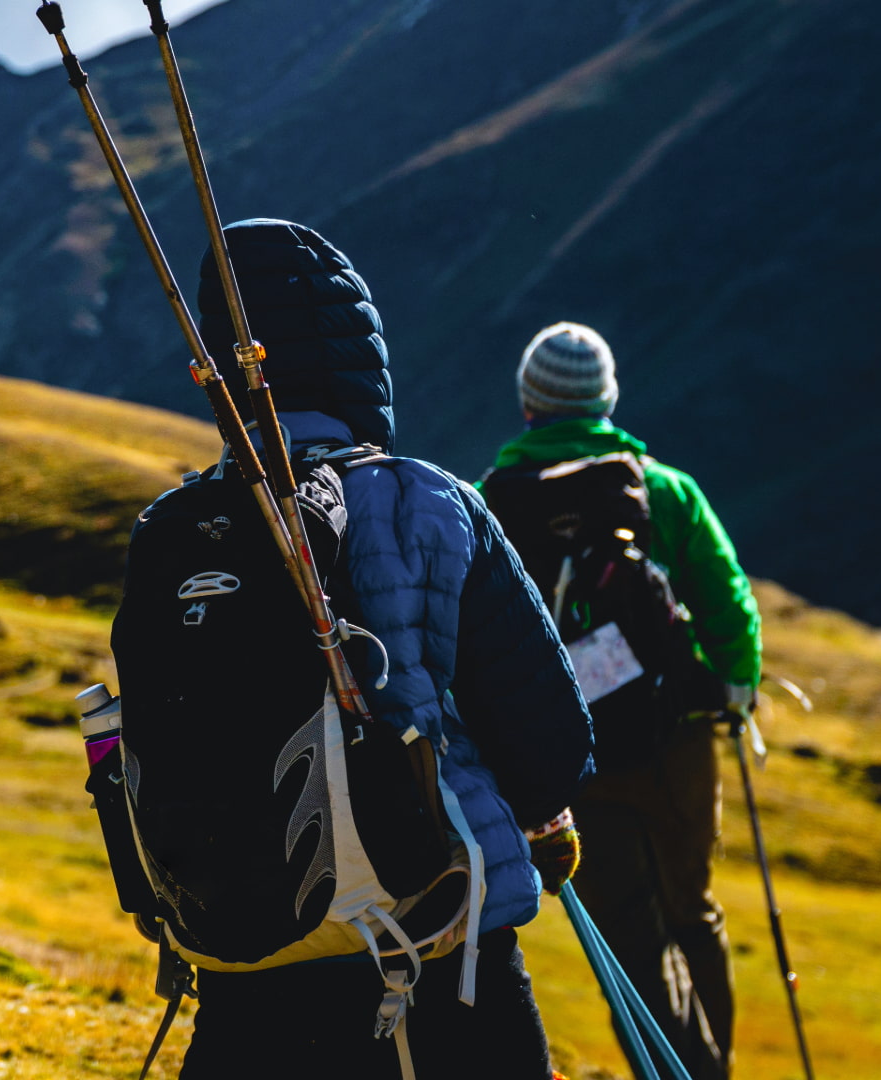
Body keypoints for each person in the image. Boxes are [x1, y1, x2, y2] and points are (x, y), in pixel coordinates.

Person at [170, 220, 596, 1079]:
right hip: (439, 960)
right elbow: (550, 751)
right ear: (358, 353)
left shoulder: (177, 532)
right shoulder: (429, 503)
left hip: (242, 964)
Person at [480, 322, 763, 1080]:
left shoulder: (491, 504)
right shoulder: (664, 492)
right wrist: (736, 689)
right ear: (606, 398)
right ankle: (713, 1070)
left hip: (567, 756)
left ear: (528, 401)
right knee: (693, 913)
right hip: (675, 740)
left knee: (627, 939)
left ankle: (671, 1068)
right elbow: (727, 597)